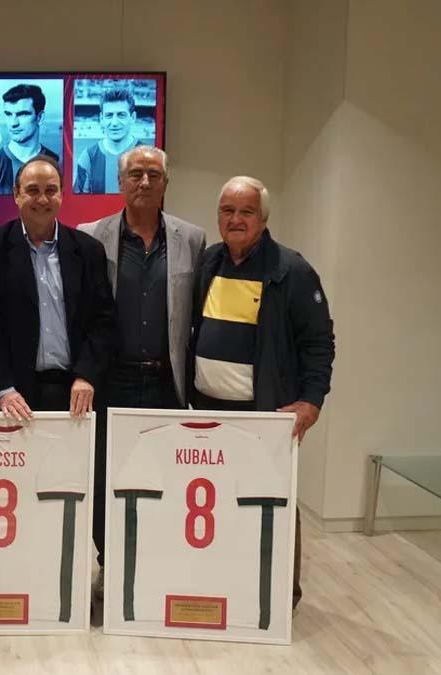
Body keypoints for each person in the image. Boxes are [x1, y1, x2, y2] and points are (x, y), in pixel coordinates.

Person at [189, 176, 336, 609]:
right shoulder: (208, 263)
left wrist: (311, 402)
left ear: (264, 218)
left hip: (264, 414)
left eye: (246, 212)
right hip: (205, 411)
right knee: (218, 503)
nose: (235, 220)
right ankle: (224, 585)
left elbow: (319, 343)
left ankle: (278, 600)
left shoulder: (291, 270)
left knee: (271, 502)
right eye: (227, 211)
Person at [77, 146, 205, 593]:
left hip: (166, 381)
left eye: (153, 174)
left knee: (162, 477)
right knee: (105, 477)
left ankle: (151, 565)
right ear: (120, 180)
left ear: (167, 183)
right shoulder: (91, 235)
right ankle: (109, 565)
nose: (144, 182)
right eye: (135, 173)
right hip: (113, 379)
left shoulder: (192, 239)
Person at [0, 155, 116, 419]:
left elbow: (103, 321)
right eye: (32, 191)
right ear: (16, 194)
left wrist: (87, 375)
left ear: (62, 195)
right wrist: (3, 388)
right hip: (15, 397)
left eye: (51, 190)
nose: (42, 200)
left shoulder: (88, 250)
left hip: (77, 392)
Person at [0, 84, 61, 196]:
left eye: (23, 114)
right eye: (9, 114)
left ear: (39, 117)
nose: (13, 123)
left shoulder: (57, 163)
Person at [74, 87, 145, 194]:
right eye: (109, 115)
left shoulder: (147, 155)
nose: (114, 122)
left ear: (133, 118)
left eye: (121, 115)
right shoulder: (88, 156)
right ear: (101, 119)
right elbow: (78, 202)